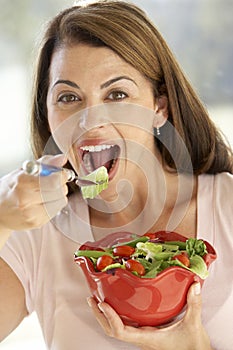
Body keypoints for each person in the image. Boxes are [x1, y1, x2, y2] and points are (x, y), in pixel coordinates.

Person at [0, 1, 232, 349]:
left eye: (117, 94)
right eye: (68, 97)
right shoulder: (34, 232)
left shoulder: (228, 207)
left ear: (159, 108)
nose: (89, 120)